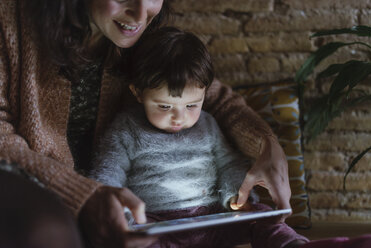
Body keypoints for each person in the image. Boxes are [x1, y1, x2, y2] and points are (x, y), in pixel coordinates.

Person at [0, 0, 292, 247]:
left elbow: (214, 98)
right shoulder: (11, 21)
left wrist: (266, 144)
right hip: (30, 182)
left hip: (122, 206)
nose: (141, 15)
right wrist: (81, 194)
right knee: (48, 233)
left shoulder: (145, 38)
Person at [89, 26, 309, 248]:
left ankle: (291, 245)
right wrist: (121, 211)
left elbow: (228, 163)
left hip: (213, 217)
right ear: (138, 92)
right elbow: (108, 172)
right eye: (165, 106)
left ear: (205, 93)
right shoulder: (126, 128)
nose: (179, 117)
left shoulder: (207, 123)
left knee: (263, 217)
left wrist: (235, 197)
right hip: (155, 222)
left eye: (192, 105)